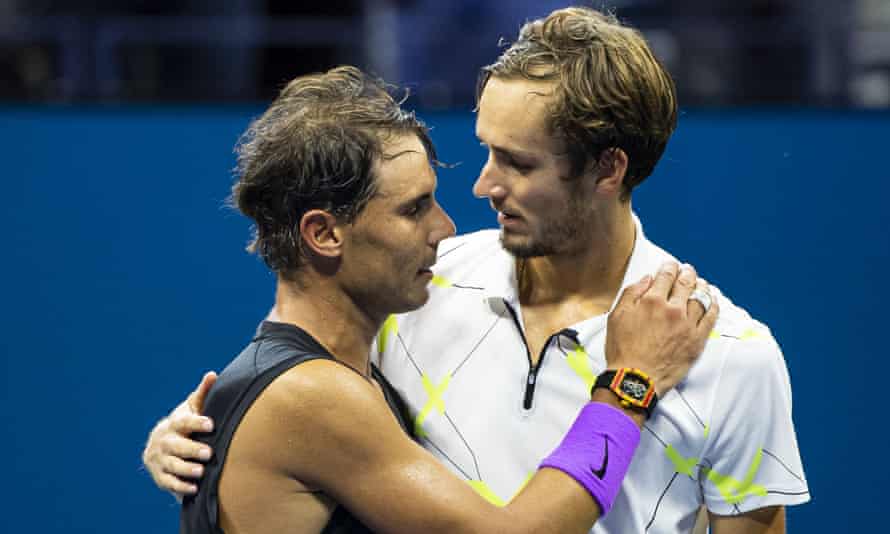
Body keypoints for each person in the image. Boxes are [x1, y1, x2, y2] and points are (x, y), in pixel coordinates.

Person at [145, 7, 809, 533]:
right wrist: (206, 436)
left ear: (608, 169)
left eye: (518, 163)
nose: (481, 189)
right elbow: (294, 386)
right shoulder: (413, 285)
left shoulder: (731, 356)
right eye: (486, 149)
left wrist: (213, 435)